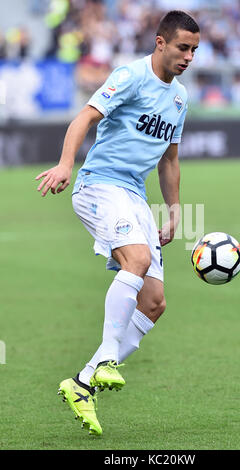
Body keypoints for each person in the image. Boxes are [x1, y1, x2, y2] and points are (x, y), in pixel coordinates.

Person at [36, 10, 200, 436]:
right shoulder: (130, 76)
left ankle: (82, 382)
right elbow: (84, 118)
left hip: (134, 196)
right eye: (183, 47)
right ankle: (108, 355)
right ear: (161, 43)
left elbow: (170, 159)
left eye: (195, 50)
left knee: (154, 302)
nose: (189, 56)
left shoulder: (180, 98)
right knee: (138, 259)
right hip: (98, 185)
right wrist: (66, 163)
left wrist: (174, 208)